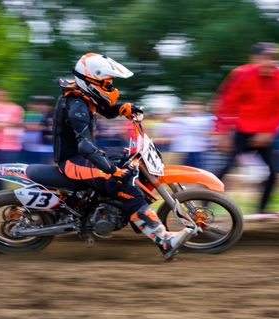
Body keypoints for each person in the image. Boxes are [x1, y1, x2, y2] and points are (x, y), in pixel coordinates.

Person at [54, 53, 192, 259]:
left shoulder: (83, 96)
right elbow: (84, 146)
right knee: (128, 188)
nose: (110, 87)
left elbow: (107, 109)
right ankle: (164, 241)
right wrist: (113, 170)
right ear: (93, 80)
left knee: (126, 164)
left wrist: (124, 109)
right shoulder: (77, 106)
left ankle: (107, 209)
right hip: (74, 161)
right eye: (108, 83)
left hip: (82, 155)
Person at [213, 42, 279, 213]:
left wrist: (270, 132)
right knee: (226, 167)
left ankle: (262, 210)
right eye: (265, 58)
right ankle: (202, 206)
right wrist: (223, 133)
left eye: (275, 58)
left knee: (274, 171)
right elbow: (226, 103)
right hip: (242, 129)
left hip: (266, 132)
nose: (270, 62)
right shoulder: (241, 74)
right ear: (254, 59)